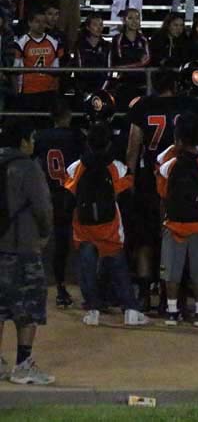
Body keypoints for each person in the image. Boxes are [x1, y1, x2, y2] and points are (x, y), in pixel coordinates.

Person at [126, 69, 198, 312]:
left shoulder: (143, 106)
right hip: (183, 178)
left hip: (150, 179)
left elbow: (133, 147)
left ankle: (144, 294)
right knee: (176, 240)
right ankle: (169, 297)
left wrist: (130, 179)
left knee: (145, 240)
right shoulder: (190, 104)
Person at [64, 122, 149, 328]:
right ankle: (130, 310)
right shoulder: (117, 167)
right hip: (110, 228)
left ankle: (93, 310)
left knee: (87, 269)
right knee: (119, 268)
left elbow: (68, 199)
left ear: (88, 142)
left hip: (84, 228)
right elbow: (126, 198)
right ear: (109, 143)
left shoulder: (75, 168)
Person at [0, 118, 54, 385]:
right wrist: (44, 235)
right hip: (22, 247)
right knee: (29, 308)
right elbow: (43, 208)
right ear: (22, 141)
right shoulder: (28, 167)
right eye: (31, 138)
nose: (33, 142)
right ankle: (23, 365)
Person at [156, 112, 198, 327]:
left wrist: (163, 222)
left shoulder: (167, 164)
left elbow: (162, 195)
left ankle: (172, 312)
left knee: (171, 271)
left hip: (172, 224)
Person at [33, 99, 84, 310]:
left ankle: (61, 287)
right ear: (68, 115)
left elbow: (33, 160)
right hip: (73, 193)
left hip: (52, 193)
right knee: (83, 240)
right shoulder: (76, 136)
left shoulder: (41, 137)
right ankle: (89, 286)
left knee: (60, 243)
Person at [13, 9, 65, 113]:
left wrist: (56, 89)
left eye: (43, 22)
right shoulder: (21, 43)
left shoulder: (54, 42)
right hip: (28, 91)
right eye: (37, 21)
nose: (41, 25)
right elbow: (15, 70)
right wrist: (17, 92)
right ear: (30, 23)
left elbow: (57, 70)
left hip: (48, 90)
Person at [109, 8, 150, 109]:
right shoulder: (118, 39)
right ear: (124, 20)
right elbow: (118, 63)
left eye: (137, 18)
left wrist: (131, 63)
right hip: (123, 83)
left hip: (141, 84)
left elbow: (147, 61)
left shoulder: (144, 39)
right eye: (130, 18)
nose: (134, 21)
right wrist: (138, 63)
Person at [74, 12, 112, 94]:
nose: (99, 28)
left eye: (101, 25)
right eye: (95, 25)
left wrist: (102, 90)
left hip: (102, 88)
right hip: (83, 90)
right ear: (88, 27)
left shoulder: (107, 46)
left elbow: (109, 71)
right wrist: (84, 91)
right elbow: (79, 70)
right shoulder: (80, 45)